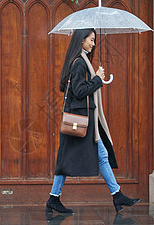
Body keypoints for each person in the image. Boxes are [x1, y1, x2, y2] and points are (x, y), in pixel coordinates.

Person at [46, 28, 140, 214]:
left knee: (100, 156)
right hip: (81, 120)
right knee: (72, 158)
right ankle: (54, 198)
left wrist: (96, 77)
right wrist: (97, 79)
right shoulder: (80, 63)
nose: (93, 44)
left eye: (94, 40)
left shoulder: (80, 61)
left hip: (84, 119)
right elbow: (80, 91)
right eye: (91, 40)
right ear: (81, 40)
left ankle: (115, 194)